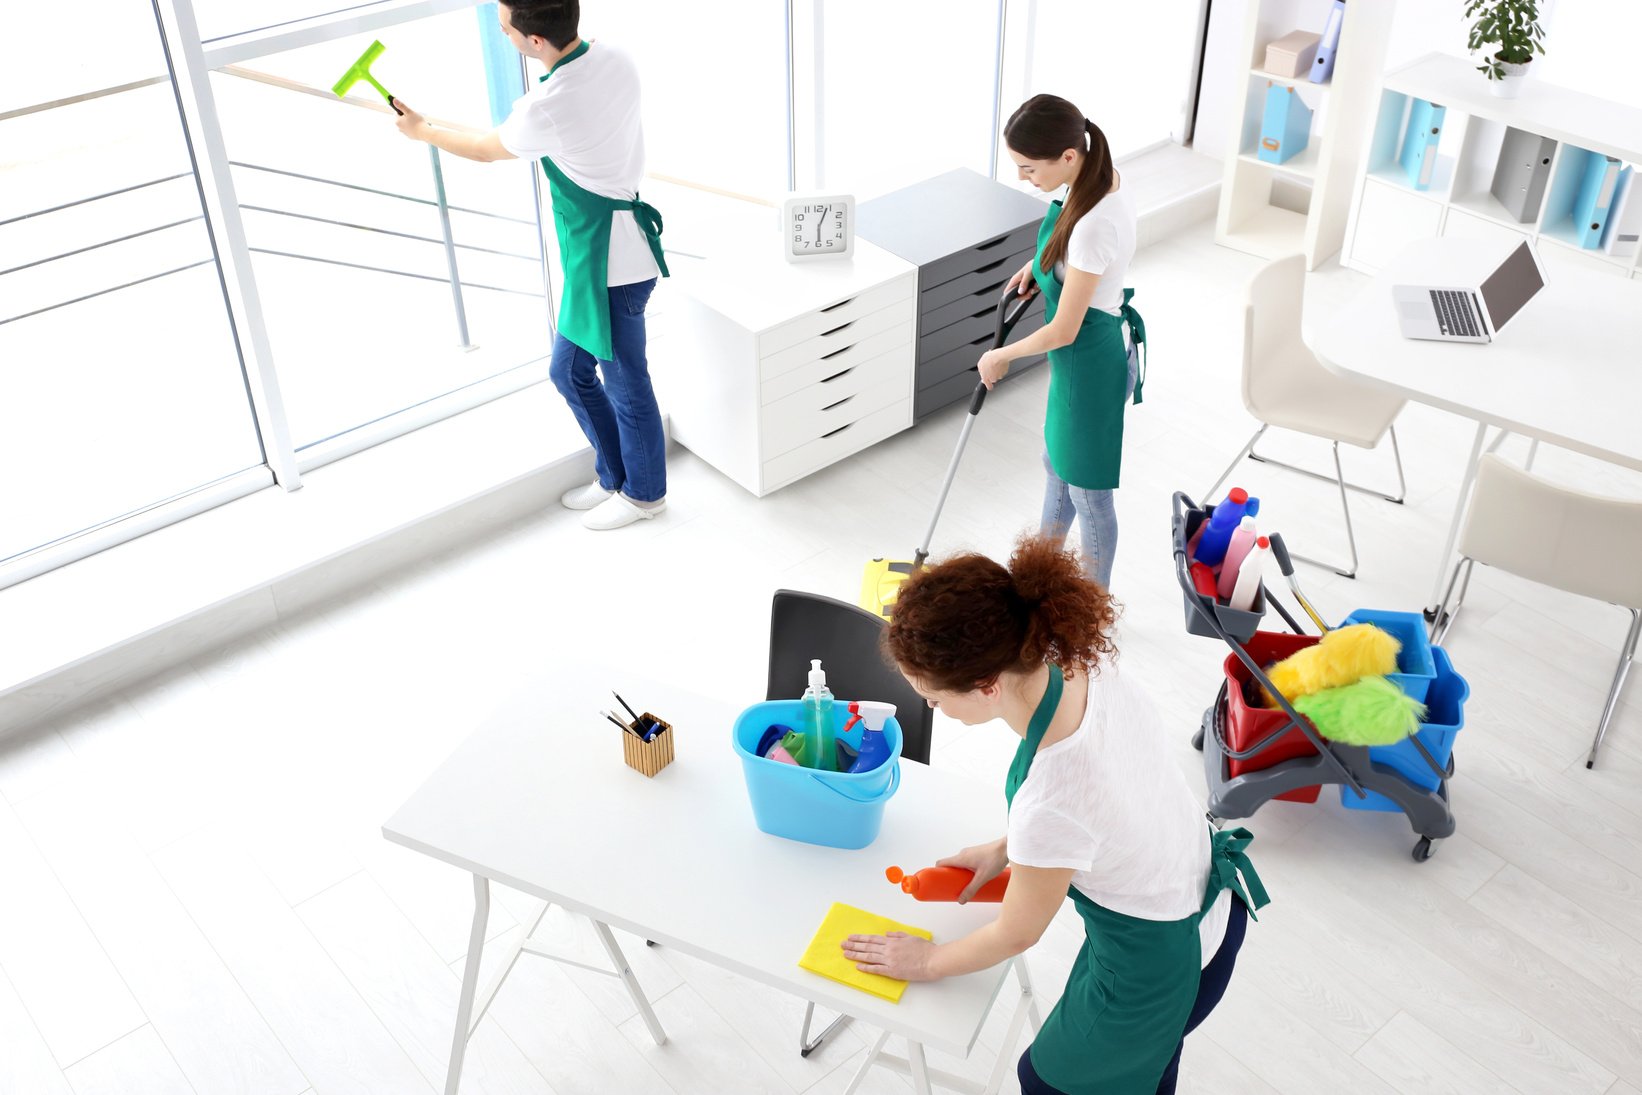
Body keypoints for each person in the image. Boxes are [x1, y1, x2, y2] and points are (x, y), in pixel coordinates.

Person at [841, 536, 1266, 1095]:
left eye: (935, 699)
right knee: (1143, 1069)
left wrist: (927, 962)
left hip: (1167, 960)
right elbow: (1107, 796)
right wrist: (1008, 846)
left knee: (1044, 1082)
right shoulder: (1080, 665)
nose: (929, 708)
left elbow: (1016, 933)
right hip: (1208, 893)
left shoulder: (1050, 800)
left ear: (987, 686)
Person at [392, 0, 670, 531]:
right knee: (568, 371)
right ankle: (614, 475)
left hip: (609, 270)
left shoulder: (547, 107)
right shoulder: (615, 58)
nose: (503, 34)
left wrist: (423, 130)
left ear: (534, 41)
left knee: (626, 384)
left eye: (504, 28)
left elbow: (481, 148)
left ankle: (645, 496)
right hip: (609, 258)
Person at [975, 95, 1145, 589]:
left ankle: (1091, 609)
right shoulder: (1095, 178)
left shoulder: (1095, 224)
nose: (1024, 178)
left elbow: (1065, 328)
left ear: (1068, 156)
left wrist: (1000, 355)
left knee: (1090, 495)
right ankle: (1037, 578)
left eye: (1029, 169)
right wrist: (1043, 265)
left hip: (1089, 364)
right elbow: (1074, 247)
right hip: (1078, 359)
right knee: (1057, 463)